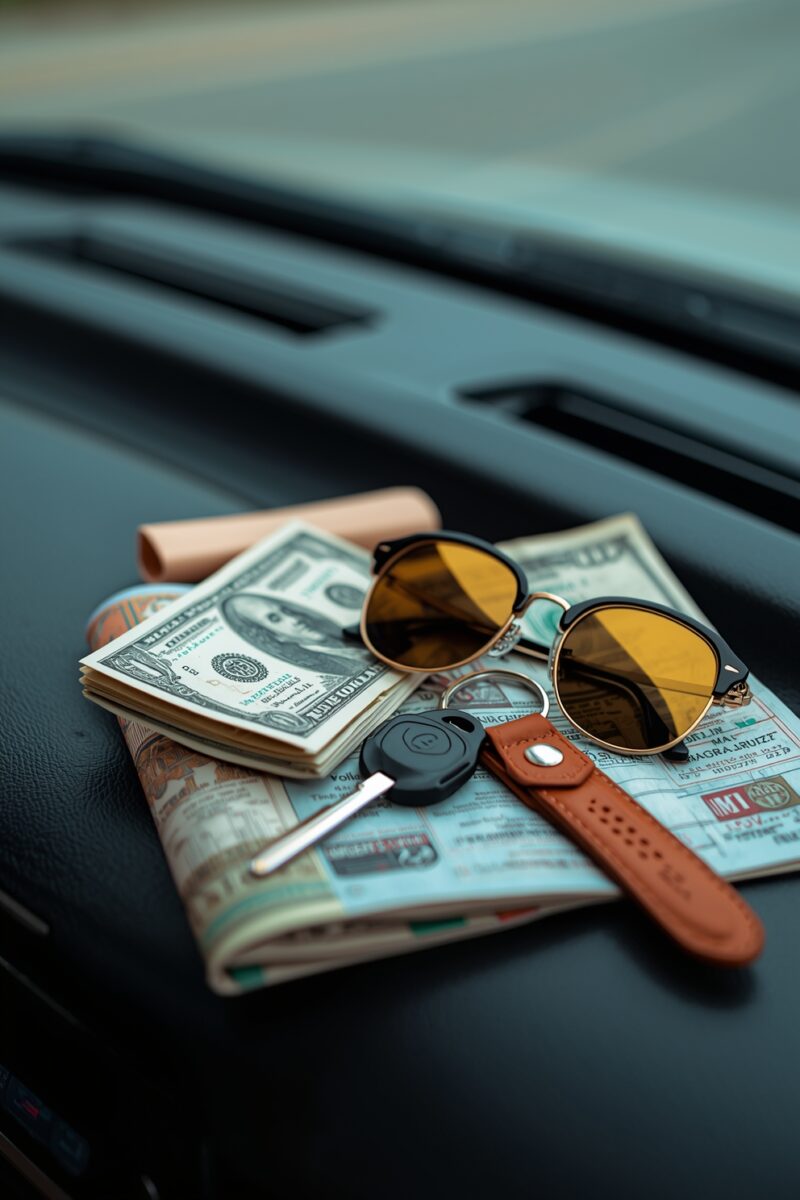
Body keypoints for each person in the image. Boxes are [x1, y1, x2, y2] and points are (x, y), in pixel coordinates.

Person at [221, 593, 369, 677]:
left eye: (286, 611)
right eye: (275, 619)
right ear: (274, 635)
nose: (294, 619)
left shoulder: (355, 634)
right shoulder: (323, 666)